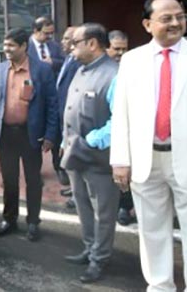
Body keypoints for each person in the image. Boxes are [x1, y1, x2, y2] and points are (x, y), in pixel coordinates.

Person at [111, 0, 187, 291]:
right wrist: (121, 160)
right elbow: (122, 113)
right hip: (146, 160)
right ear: (147, 24)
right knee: (152, 233)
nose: (175, 23)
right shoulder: (132, 60)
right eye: (166, 18)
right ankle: (159, 286)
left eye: (179, 16)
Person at [0, 28, 59, 242]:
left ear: (24, 46)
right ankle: (9, 219)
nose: (6, 49)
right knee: (9, 180)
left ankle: (33, 221)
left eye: (11, 45)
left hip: (31, 134)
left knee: (33, 180)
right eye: (4, 44)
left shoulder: (41, 70)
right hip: (6, 135)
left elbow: (52, 105)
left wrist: (50, 135)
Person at [61, 23, 119, 284]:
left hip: (98, 157)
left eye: (76, 43)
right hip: (75, 153)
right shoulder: (80, 69)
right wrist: (65, 141)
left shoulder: (113, 74)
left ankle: (100, 259)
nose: (71, 47)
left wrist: (92, 141)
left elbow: (119, 120)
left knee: (103, 212)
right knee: (82, 204)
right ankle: (89, 247)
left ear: (92, 44)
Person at [106, 30, 135, 226]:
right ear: (106, 48)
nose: (121, 53)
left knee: (124, 173)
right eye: (116, 49)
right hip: (103, 133)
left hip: (124, 130)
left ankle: (125, 207)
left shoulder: (131, 69)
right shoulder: (100, 70)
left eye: (124, 49)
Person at [56, 26, 81, 198]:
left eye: (66, 38)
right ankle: (74, 188)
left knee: (74, 154)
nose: (62, 42)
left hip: (72, 116)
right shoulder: (68, 59)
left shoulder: (78, 62)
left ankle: (77, 193)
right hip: (63, 113)